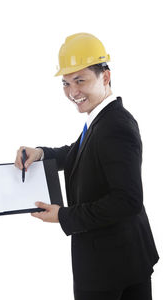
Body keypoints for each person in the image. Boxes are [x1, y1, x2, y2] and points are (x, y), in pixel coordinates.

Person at [15, 33, 159, 300]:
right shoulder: (103, 118)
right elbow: (78, 152)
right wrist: (41, 154)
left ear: (105, 76)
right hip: (122, 258)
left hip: (109, 267)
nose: (72, 92)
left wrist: (63, 216)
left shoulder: (115, 126)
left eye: (80, 80)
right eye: (66, 83)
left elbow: (127, 201)